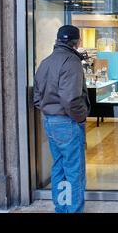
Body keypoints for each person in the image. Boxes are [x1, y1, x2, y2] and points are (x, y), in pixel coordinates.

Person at [34, 25, 90, 213]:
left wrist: (48, 110)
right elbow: (71, 99)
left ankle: (62, 208)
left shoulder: (45, 62)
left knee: (58, 167)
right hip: (68, 122)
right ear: (77, 42)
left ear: (58, 40)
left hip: (50, 121)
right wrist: (81, 117)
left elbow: (36, 96)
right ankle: (73, 211)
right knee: (74, 171)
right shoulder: (72, 62)